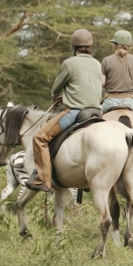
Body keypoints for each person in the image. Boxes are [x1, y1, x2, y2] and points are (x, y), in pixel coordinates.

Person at [28, 29, 103, 192]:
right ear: (90, 46)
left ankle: (43, 180)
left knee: (39, 138)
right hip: (97, 112)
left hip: (76, 111)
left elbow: (56, 88)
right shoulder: (97, 64)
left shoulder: (69, 63)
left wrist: (56, 98)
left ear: (73, 46)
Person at [100, 30, 133, 115]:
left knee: (92, 120)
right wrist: (131, 82)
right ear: (130, 46)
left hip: (109, 101)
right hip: (129, 101)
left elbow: (102, 83)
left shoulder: (106, 60)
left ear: (114, 45)